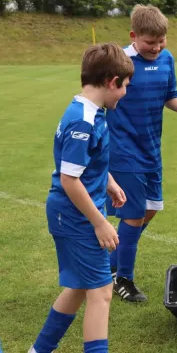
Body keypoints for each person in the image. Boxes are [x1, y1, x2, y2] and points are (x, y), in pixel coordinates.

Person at [106, 4, 177, 303]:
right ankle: (123, 279)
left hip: (151, 147)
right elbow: (99, 96)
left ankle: (111, 264)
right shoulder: (118, 61)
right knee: (134, 214)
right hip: (123, 149)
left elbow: (171, 95)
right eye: (149, 42)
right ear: (133, 36)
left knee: (150, 209)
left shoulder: (167, 59)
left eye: (161, 41)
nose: (156, 47)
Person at [30, 43, 133, 353]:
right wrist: (100, 222)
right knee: (101, 292)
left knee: (77, 286)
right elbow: (69, 179)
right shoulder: (83, 122)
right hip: (75, 216)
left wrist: (110, 183)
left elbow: (87, 164)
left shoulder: (88, 112)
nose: (125, 93)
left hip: (73, 212)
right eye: (125, 86)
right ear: (112, 81)